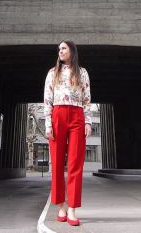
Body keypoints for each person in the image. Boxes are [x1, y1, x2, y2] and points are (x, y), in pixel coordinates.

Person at [44, 40, 92, 227]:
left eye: (63, 48)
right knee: (56, 163)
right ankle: (61, 205)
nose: (60, 51)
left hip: (77, 115)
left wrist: (88, 121)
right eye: (59, 49)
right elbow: (47, 99)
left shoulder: (82, 73)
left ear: (72, 50)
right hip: (57, 116)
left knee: (75, 163)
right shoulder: (52, 73)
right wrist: (48, 124)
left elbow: (87, 98)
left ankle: (72, 208)